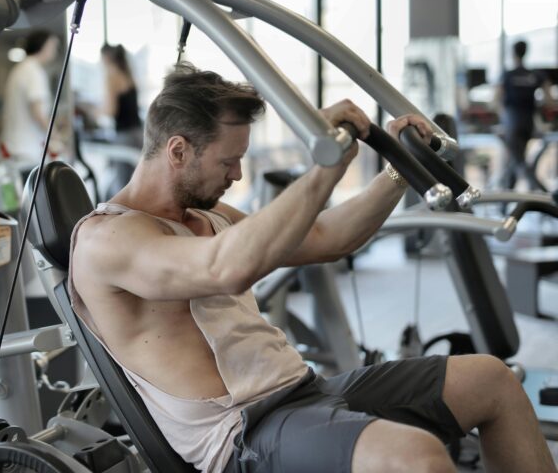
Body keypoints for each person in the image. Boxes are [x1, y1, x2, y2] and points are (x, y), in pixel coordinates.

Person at [70, 64, 556, 473]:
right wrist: (326, 167)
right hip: (243, 433)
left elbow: (329, 237)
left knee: (494, 381)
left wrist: (398, 168)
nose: (237, 175)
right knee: (415, 458)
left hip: (304, 392)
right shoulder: (107, 238)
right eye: (227, 162)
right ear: (178, 151)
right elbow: (225, 268)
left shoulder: (207, 217)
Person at [0, 30, 61, 179]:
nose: (55, 51)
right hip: (28, 150)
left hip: (16, 146)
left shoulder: (20, 69)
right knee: (33, 197)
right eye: (53, 46)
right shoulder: (34, 71)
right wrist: (56, 136)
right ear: (43, 46)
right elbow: (37, 112)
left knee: (23, 196)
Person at [496, 40, 554, 191]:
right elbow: (549, 100)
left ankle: (543, 194)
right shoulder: (535, 75)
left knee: (519, 162)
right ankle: (505, 202)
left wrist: (502, 119)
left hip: (513, 123)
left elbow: (496, 100)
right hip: (528, 123)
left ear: (513, 53)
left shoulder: (508, 75)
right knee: (515, 161)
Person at [100, 43, 143, 200]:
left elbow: (110, 110)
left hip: (124, 135)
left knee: (122, 185)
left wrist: (94, 110)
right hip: (138, 133)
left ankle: (121, 221)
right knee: (135, 181)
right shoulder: (128, 73)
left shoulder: (112, 75)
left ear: (106, 57)